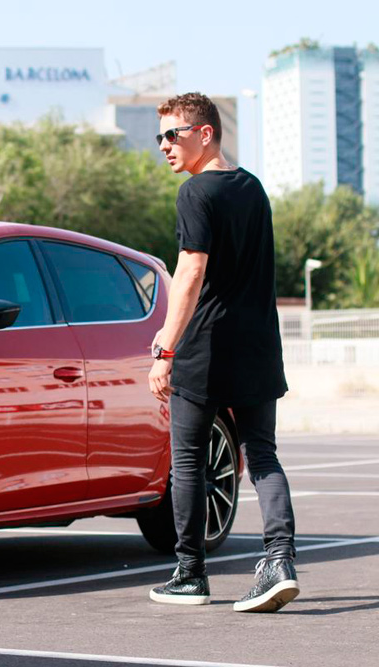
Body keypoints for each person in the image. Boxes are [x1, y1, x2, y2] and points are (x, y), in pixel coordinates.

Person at [146, 92, 299, 613]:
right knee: (262, 455)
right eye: (160, 136)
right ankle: (279, 562)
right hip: (259, 345)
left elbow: (190, 271)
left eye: (173, 134)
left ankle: (190, 574)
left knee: (188, 460)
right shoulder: (253, 188)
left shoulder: (195, 192)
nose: (164, 145)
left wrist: (165, 348)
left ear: (205, 133)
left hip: (207, 346)